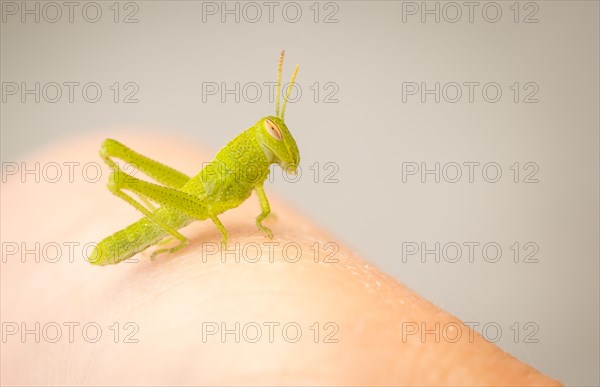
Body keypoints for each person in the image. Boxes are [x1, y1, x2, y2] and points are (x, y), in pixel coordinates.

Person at [1, 133, 560, 385]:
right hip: (191, 201)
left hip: (200, 200)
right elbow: (222, 198)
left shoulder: (258, 163)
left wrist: (259, 215)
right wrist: (201, 225)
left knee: (208, 202)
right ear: (261, 141)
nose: (279, 143)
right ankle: (160, 226)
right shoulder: (240, 164)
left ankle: (173, 229)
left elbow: (256, 192)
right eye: (274, 136)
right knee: (158, 182)